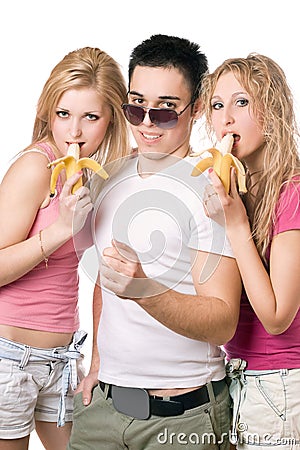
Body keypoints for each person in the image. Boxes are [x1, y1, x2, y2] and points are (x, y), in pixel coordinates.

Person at [67, 34, 242, 450]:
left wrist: (145, 291)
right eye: (135, 106)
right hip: (101, 409)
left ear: (195, 110)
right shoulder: (108, 177)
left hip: (183, 417)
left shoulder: (212, 190)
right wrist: (97, 363)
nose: (146, 122)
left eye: (164, 111)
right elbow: (104, 278)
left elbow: (223, 320)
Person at [0, 46, 130, 450]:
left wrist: (97, 360)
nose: (74, 131)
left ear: (110, 120)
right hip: (9, 359)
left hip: (62, 358)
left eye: (90, 117)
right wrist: (60, 229)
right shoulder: (36, 166)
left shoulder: (91, 176)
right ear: (48, 112)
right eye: (63, 114)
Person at [200, 53, 300, 449]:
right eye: (217, 105)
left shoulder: (290, 192)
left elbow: (277, 317)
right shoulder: (238, 191)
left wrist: (236, 226)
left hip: (280, 383)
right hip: (236, 375)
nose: (226, 117)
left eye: (242, 102)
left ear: (272, 112)